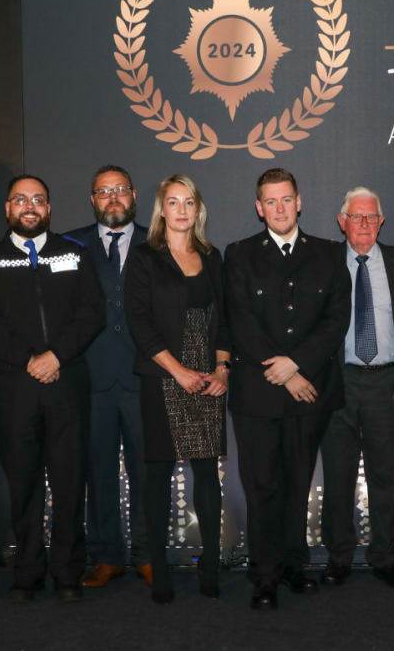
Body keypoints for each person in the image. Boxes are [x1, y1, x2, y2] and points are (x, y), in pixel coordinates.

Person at [0, 175, 105, 603]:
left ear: (49, 208)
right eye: (21, 200)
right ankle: (27, 571)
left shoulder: (75, 254)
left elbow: (92, 313)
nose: (30, 206)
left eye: (39, 200)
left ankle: (67, 571)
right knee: (22, 480)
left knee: (69, 480)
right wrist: (29, 359)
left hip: (67, 382)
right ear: (8, 208)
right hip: (15, 385)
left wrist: (55, 357)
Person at [225, 168, 351, 610]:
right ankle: (264, 574)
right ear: (259, 208)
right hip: (258, 394)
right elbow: (240, 320)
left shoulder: (330, 254)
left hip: (309, 391)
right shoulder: (238, 255)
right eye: (270, 202)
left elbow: (336, 319)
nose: (279, 209)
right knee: (262, 486)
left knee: (299, 484)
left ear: (299, 202)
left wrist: (298, 365)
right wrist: (284, 370)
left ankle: (295, 565)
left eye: (286, 200)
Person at [125, 174, 231, 604]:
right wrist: (177, 371)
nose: (182, 209)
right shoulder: (145, 256)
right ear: (161, 210)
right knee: (159, 475)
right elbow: (140, 323)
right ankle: (160, 566)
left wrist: (222, 369)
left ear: (198, 209)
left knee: (207, 473)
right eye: (174, 202)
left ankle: (209, 563)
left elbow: (226, 318)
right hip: (163, 375)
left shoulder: (212, 255)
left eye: (189, 201)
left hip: (208, 375)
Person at [319, 187, 394, 589]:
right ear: (341, 222)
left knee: (385, 477)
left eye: (371, 217)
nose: (363, 225)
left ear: (381, 222)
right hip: (338, 381)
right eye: (355, 217)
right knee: (337, 476)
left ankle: (385, 557)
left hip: (387, 382)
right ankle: (338, 557)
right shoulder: (322, 264)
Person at [64, 165, 152, 588]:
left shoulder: (158, 240)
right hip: (91, 378)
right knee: (98, 473)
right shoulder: (70, 244)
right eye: (103, 192)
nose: (113, 197)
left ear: (134, 195)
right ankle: (107, 556)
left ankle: (148, 555)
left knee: (147, 471)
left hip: (142, 376)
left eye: (120, 190)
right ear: (93, 200)